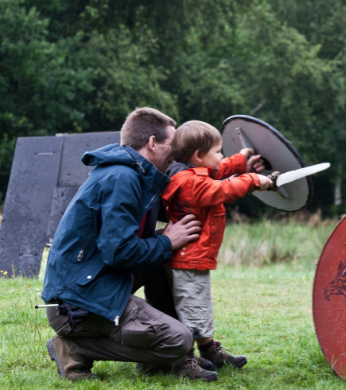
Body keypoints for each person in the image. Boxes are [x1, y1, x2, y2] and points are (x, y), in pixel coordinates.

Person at [40, 108, 264, 381]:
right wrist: (167, 240)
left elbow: (194, 185)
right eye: (173, 142)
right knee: (178, 339)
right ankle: (73, 347)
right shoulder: (120, 179)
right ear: (153, 143)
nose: (178, 149)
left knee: (165, 254)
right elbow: (118, 252)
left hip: (97, 281)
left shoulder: (142, 175)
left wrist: (241, 169)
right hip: (77, 303)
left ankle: (160, 361)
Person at [160, 121, 273, 377]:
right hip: (189, 261)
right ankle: (183, 362)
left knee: (197, 309)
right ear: (199, 156)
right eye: (217, 151)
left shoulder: (192, 172)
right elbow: (222, 188)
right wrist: (254, 179)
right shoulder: (190, 182)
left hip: (192, 259)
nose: (220, 157)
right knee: (192, 312)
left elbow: (218, 170)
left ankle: (210, 352)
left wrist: (240, 161)